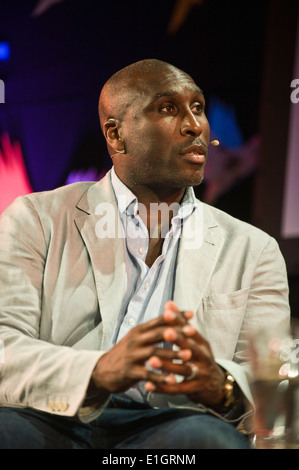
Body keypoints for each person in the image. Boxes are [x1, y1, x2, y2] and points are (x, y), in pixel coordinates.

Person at [0, 59, 290, 449]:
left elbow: (272, 384)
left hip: (169, 426)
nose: (195, 126)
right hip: (50, 417)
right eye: (168, 109)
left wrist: (220, 384)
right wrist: (99, 371)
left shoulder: (253, 249)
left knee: (208, 440)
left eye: (199, 108)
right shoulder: (37, 218)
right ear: (116, 135)